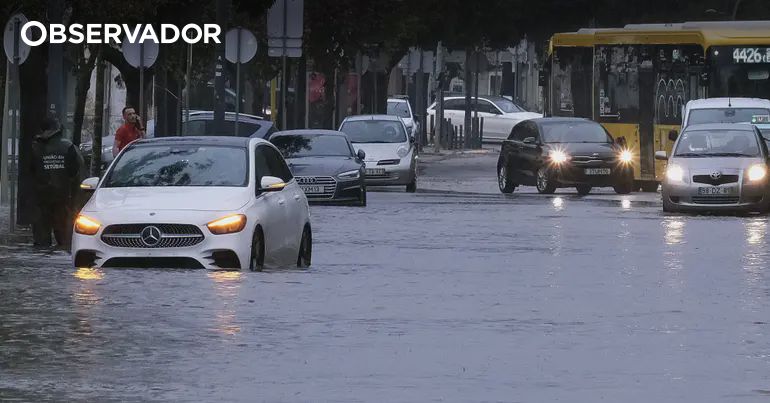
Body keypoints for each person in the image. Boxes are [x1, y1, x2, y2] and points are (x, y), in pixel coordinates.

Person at [30, 112, 84, 249]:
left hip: (41, 196)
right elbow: (74, 171)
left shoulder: (34, 147)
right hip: (63, 196)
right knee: (64, 240)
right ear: (58, 128)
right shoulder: (68, 147)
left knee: (41, 241)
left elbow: (30, 171)